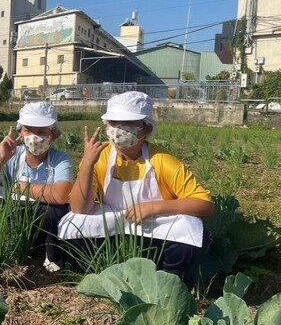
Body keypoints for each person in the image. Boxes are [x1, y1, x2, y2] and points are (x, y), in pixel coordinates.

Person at [60, 91, 214, 284]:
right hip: (115, 226)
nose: (118, 130)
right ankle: (102, 268)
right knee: (72, 223)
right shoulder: (100, 157)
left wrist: (154, 207)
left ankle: (167, 277)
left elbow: (204, 204)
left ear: (146, 129)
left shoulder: (161, 160)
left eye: (128, 124)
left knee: (192, 232)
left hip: (153, 227)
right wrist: (87, 165)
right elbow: (78, 208)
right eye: (113, 123)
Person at [0, 101, 74, 272]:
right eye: (28, 130)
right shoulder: (11, 155)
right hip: (13, 220)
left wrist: (22, 187)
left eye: (41, 132)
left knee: (57, 210)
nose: (34, 137)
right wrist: (2, 159)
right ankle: (6, 247)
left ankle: (52, 256)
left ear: (54, 135)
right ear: (20, 132)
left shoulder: (60, 159)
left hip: (40, 224)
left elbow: (60, 195)